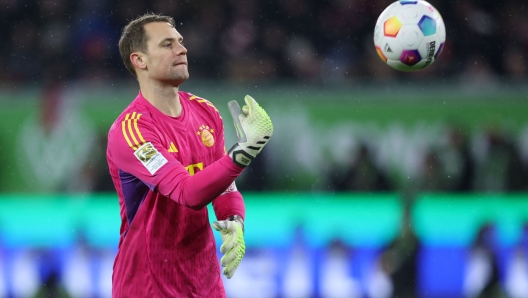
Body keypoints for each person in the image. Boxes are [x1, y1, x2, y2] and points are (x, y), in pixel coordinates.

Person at [106, 13, 273, 297]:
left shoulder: (205, 112)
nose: (182, 49)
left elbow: (223, 184)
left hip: (205, 284)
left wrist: (234, 219)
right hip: (148, 287)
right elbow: (188, 193)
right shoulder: (131, 131)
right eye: (167, 44)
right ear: (139, 60)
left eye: (180, 42)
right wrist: (245, 151)